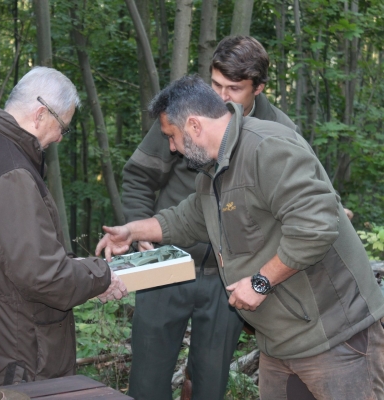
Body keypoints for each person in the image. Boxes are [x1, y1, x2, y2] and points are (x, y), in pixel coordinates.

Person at [96, 75, 384, 400]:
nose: (172, 147)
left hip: (335, 337)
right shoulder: (213, 171)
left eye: (172, 137)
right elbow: (190, 217)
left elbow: (315, 226)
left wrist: (261, 281)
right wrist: (132, 231)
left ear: (193, 125)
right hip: (279, 343)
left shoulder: (267, 146)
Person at [121, 36, 299, 400]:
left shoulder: (279, 130)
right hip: (166, 262)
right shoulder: (187, 111)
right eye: (216, 83)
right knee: (147, 379)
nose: (221, 96)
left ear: (259, 88)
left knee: (210, 381)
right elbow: (139, 176)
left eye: (233, 88)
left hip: (229, 276)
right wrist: (142, 231)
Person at [0, 66, 127, 386]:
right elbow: (39, 274)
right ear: (39, 114)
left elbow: (5, 256)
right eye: (63, 125)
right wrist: (101, 275)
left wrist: (69, 266)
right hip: (19, 348)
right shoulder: (11, 172)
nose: (61, 137)